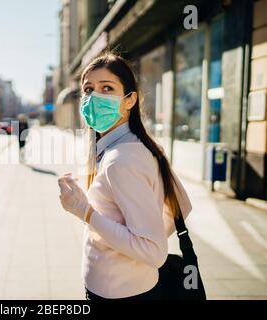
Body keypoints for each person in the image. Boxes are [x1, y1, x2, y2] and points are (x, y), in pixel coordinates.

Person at [57, 52, 193, 300]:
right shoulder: (136, 144)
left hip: (119, 293)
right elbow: (181, 205)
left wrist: (84, 211)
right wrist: (136, 239)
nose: (94, 97)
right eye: (88, 90)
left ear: (130, 100)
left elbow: (153, 253)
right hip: (130, 285)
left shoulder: (122, 159)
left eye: (107, 88)